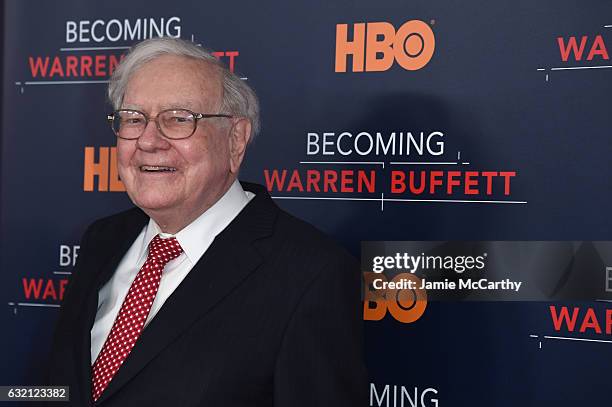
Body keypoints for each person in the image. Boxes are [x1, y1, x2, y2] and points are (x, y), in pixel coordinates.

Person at [47, 37, 367, 406]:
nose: (149, 141)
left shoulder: (312, 274)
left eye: (179, 119)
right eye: (134, 119)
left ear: (235, 140)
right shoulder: (101, 240)